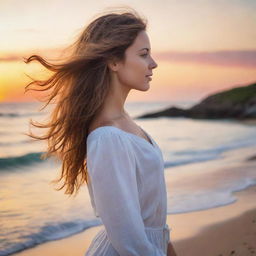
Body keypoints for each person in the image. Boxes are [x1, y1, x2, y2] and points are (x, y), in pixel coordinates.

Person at [24, 7, 178, 256]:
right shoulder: (108, 138)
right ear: (113, 61)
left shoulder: (124, 123)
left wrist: (168, 247)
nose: (153, 63)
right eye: (143, 54)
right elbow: (129, 240)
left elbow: (151, 215)